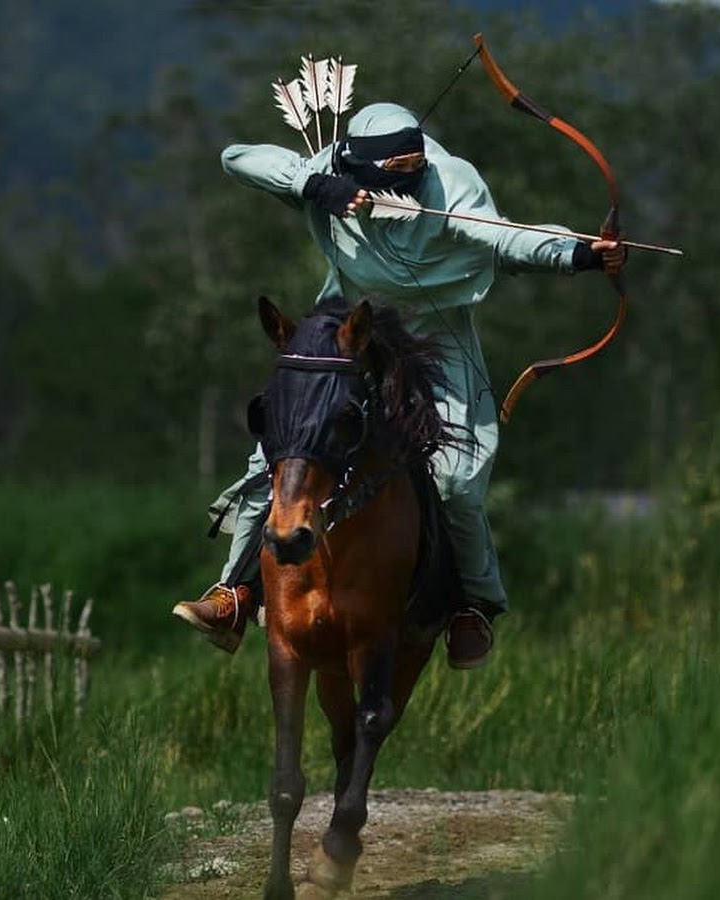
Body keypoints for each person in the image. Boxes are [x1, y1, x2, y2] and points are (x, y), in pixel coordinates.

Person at [172, 102, 626, 668]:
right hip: (350, 337)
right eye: (396, 170)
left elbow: (509, 239)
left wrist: (581, 252)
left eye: (414, 164)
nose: (410, 175)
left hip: (436, 342)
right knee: (280, 458)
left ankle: (472, 603)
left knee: (458, 483)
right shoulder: (333, 172)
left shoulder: (452, 184)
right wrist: (313, 185)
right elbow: (236, 157)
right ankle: (234, 594)